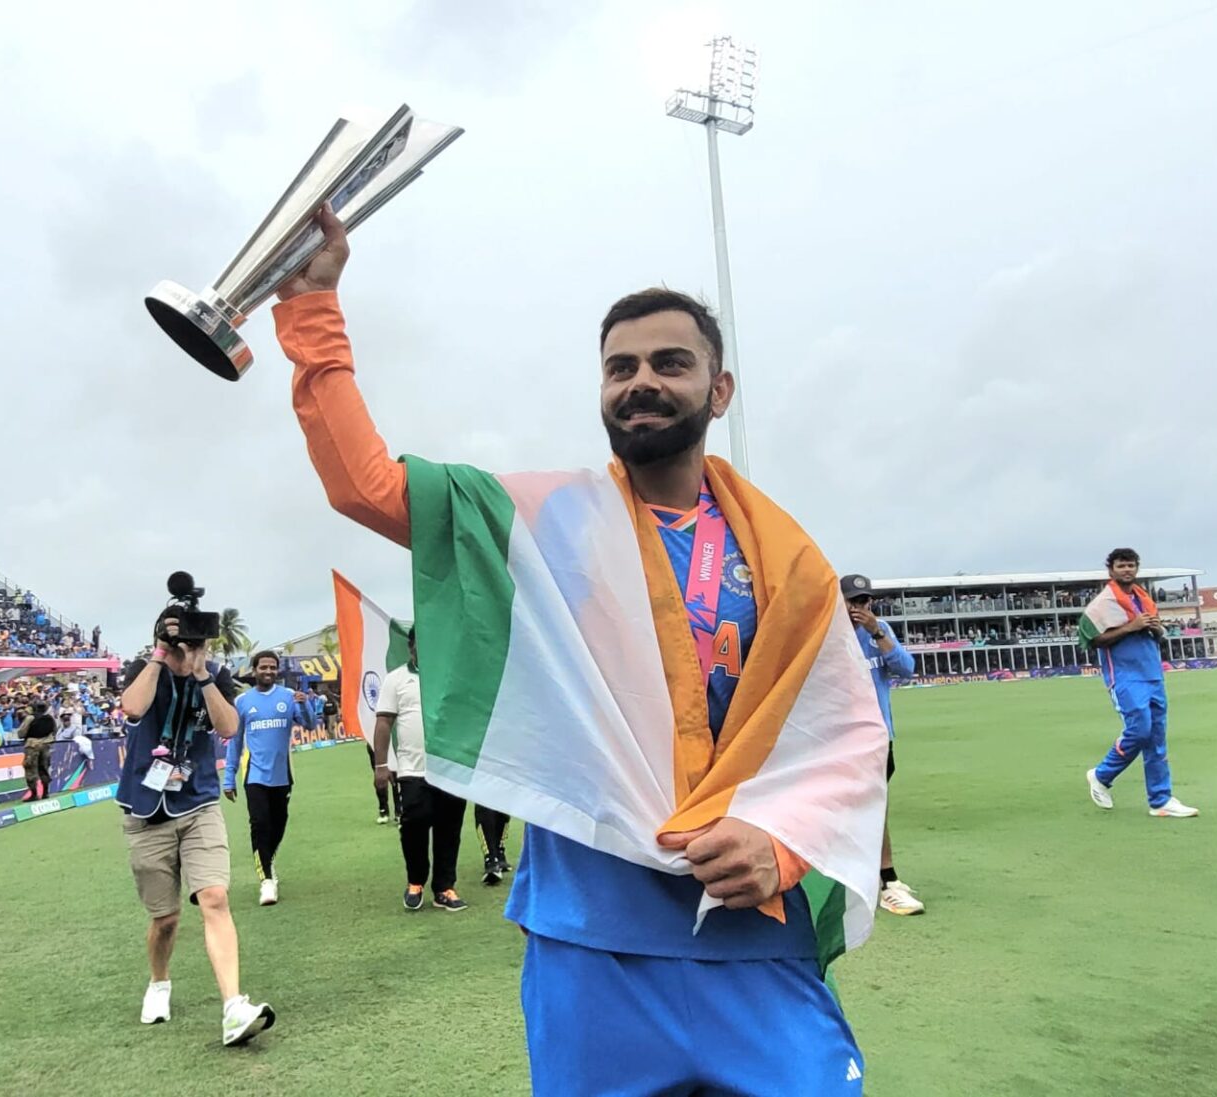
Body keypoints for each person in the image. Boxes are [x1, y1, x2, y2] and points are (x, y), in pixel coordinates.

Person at [274, 210, 879, 1093]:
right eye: (620, 367)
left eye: (670, 363)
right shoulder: (548, 525)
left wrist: (782, 846)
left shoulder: (788, 560)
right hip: (593, 941)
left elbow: (847, 737)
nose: (642, 382)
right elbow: (366, 487)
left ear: (720, 390)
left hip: (753, 933)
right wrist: (313, 308)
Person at [117, 610, 275, 1046]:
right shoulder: (143, 669)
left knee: (214, 897)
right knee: (166, 919)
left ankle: (233, 1007)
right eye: (178, 638)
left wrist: (202, 673)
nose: (187, 645)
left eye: (193, 638)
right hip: (146, 810)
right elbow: (133, 707)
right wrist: (160, 655)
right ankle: (159, 981)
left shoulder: (216, 675)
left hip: (198, 802)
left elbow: (228, 727)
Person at [1080, 548, 1198, 818]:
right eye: (1121, 566)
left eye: (1131, 565)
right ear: (1111, 570)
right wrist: (1130, 627)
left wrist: (1156, 629)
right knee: (1140, 730)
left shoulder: (1143, 599)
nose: (1127, 570)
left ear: (1137, 568)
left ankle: (1160, 800)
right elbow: (1093, 639)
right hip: (1125, 676)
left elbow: (1157, 635)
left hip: (1152, 673)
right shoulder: (1103, 603)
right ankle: (1101, 775)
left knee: (1156, 738)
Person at [840, 574, 923, 916]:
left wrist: (876, 631)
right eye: (852, 600)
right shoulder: (829, 634)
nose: (859, 607)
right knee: (853, 807)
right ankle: (879, 880)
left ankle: (883, 879)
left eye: (864, 601)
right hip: (843, 736)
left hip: (878, 735)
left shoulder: (880, 630)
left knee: (876, 806)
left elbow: (906, 669)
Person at [373, 628, 468, 913]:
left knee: (449, 828)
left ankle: (444, 888)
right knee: (414, 824)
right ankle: (415, 882)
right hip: (412, 770)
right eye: (419, 643)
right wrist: (381, 765)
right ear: (411, 646)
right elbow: (384, 722)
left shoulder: (452, 675)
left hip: (451, 768)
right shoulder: (396, 678)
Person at [224, 651, 298, 906]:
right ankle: (266, 880)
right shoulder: (243, 701)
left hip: (282, 775)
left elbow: (310, 723)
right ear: (254, 670)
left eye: (272, 667)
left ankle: (268, 859)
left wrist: (304, 704)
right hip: (254, 774)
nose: (268, 671)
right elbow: (234, 741)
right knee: (260, 824)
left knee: (278, 824)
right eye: (263, 667)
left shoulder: (288, 696)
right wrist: (229, 778)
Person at [20, 702, 57, 800]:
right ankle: (45, 792)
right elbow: (55, 730)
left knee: (30, 769)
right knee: (44, 768)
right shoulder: (50, 718)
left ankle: (34, 794)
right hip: (46, 745)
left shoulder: (30, 718)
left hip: (32, 746)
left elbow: (21, 733)